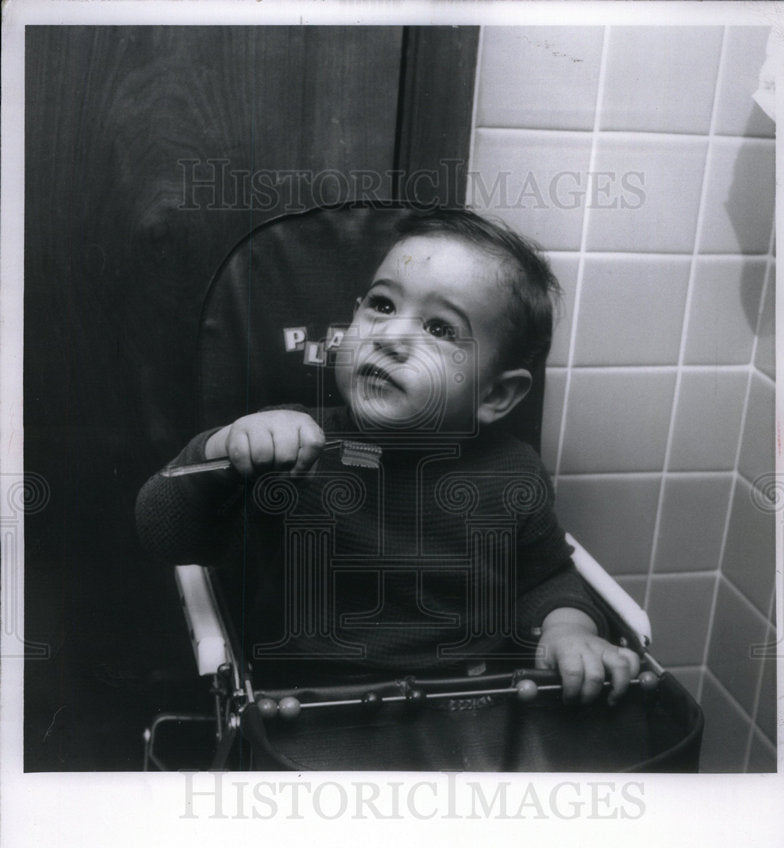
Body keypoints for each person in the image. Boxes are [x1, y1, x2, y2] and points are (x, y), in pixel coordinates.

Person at [136, 209, 640, 705]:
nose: (391, 338)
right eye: (381, 305)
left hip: (469, 707)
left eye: (440, 330)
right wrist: (223, 449)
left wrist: (570, 630)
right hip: (308, 711)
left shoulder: (512, 472)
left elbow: (547, 578)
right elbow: (164, 533)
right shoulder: (287, 446)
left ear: (496, 397)